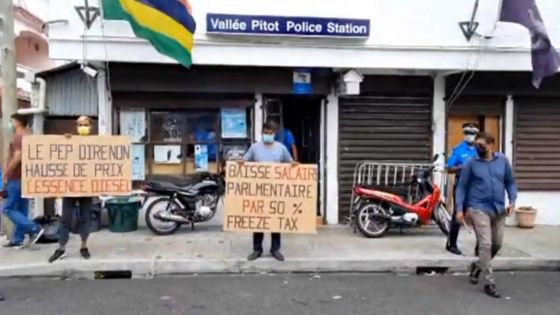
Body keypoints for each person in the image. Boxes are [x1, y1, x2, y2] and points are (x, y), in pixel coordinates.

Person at [455, 132, 517, 298]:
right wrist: (460, 209)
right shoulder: (471, 164)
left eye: (481, 146)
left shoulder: (503, 161)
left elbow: (510, 182)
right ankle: (489, 283)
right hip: (478, 207)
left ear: (491, 145)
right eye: (476, 146)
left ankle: (477, 265)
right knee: (486, 244)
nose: (478, 149)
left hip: (498, 209)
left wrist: (512, 201)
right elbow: (462, 187)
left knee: (497, 244)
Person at [241, 121, 296, 262]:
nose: (268, 135)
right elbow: (245, 161)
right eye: (266, 132)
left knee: (275, 220)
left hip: (275, 190)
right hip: (259, 190)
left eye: (270, 133)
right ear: (262, 132)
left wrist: (294, 164)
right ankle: (257, 249)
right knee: (258, 221)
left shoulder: (281, 148)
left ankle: (275, 249)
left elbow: (289, 162)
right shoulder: (255, 148)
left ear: (275, 134)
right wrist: (239, 164)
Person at [48, 116, 95, 263]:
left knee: (85, 219)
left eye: (85, 124)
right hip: (70, 187)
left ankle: (84, 246)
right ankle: (61, 248)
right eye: (80, 124)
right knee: (65, 219)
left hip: (87, 188)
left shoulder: (97, 143)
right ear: (76, 126)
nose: (83, 127)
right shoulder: (69, 140)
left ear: (91, 126)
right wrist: (64, 140)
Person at [2, 114, 43, 248]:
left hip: (16, 177)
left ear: (17, 122)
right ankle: (17, 239)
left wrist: (7, 172)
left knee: (8, 209)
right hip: (26, 177)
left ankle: (34, 228)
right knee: (22, 209)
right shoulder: (29, 135)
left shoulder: (19, 137)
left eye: (12, 121)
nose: (11, 123)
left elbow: (18, 155)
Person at [445, 123, 479, 255]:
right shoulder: (458, 150)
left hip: (477, 186)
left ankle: (480, 246)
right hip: (462, 185)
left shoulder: (480, 149)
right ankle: (451, 244)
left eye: (472, 133)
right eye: (467, 133)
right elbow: (449, 168)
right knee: (458, 215)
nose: (470, 136)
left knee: (479, 215)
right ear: (464, 134)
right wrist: (462, 167)